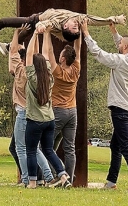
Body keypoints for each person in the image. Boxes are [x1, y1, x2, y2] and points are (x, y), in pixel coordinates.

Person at [85, 21, 128, 192]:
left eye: (120, 43)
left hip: (121, 110)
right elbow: (122, 46)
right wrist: (114, 31)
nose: (118, 44)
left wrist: (86, 33)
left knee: (126, 147)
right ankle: (111, 182)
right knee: (115, 146)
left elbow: (98, 53)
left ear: (124, 47)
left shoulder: (120, 61)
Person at [5, 25, 55, 187]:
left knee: (21, 148)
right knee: (36, 149)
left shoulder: (19, 69)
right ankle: (48, 176)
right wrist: (39, 35)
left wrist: (16, 32)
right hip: (36, 113)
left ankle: (26, 179)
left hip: (23, 113)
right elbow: (40, 55)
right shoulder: (39, 75)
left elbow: (13, 51)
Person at [24, 30, 71, 189]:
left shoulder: (32, 77)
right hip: (49, 120)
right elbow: (44, 53)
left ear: (34, 66)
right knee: (49, 150)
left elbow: (30, 53)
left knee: (31, 150)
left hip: (35, 120)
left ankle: (31, 182)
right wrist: (46, 33)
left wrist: (35, 34)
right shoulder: (49, 76)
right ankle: (63, 176)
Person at [46, 20, 83, 184]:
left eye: (60, 54)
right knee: (70, 148)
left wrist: (46, 33)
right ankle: (69, 178)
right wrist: (78, 31)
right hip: (72, 112)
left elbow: (48, 52)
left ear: (62, 59)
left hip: (59, 111)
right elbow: (78, 48)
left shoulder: (58, 72)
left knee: (46, 146)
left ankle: (59, 175)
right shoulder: (75, 69)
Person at [0, 9, 126, 44]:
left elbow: (48, 23)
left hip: (35, 20)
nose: (76, 24)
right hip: (37, 22)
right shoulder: (78, 18)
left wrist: (41, 24)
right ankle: (9, 47)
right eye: (77, 26)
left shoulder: (56, 24)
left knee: (3, 22)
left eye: (74, 27)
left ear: (66, 29)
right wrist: (113, 19)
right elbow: (94, 19)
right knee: (23, 35)